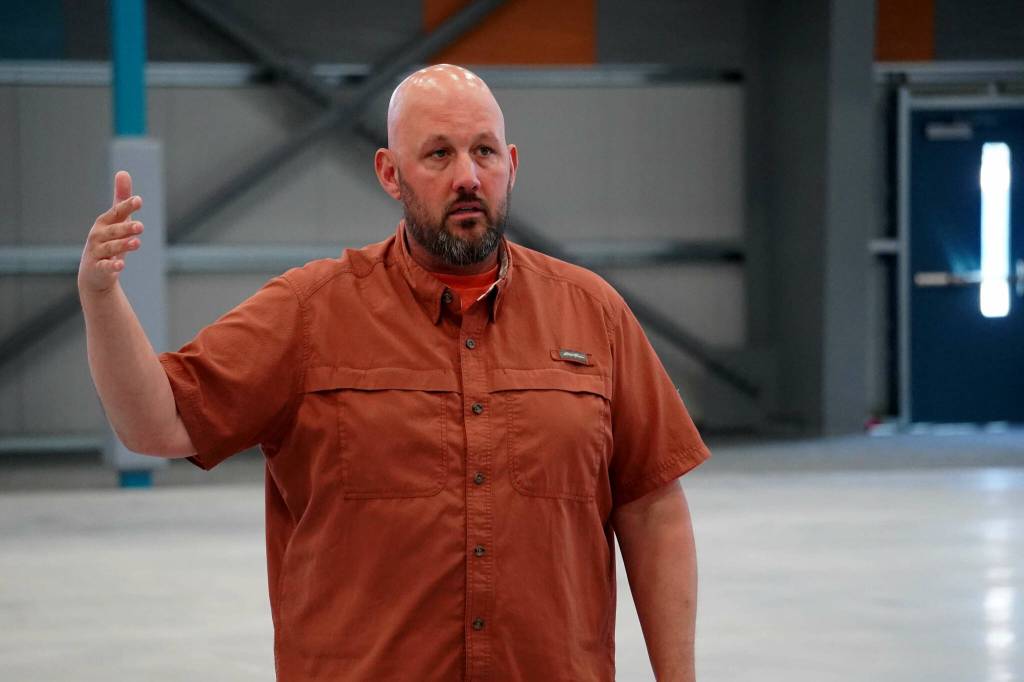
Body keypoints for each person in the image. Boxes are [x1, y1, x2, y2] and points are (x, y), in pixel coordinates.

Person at [78, 64, 710, 682]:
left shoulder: (592, 313)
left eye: (483, 152)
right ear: (390, 171)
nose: (467, 176)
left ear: (511, 164)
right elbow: (155, 423)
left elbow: (653, 508)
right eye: (438, 155)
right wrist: (102, 299)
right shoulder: (309, 312)